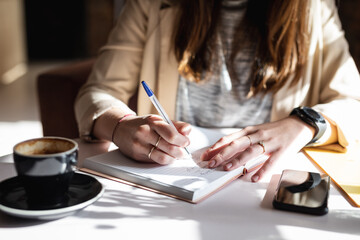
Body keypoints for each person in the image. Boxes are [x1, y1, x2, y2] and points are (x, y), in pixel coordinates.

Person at [75, 0, 360, 182]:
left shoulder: (314, 7)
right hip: (169, 179)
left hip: (260, 183)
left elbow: (353, 101)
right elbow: (98, 91)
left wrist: (304, 124)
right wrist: (120, 126)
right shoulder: (150, 5)